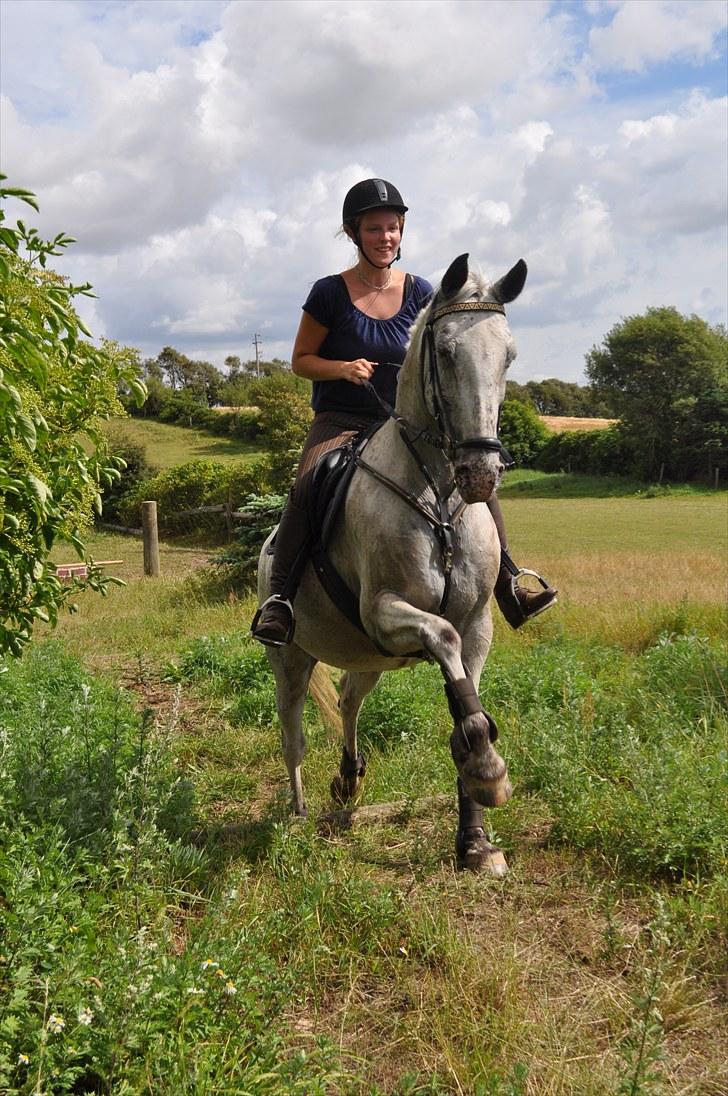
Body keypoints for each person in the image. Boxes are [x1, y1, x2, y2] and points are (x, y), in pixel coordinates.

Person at [252, 178, 556, 647]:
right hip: (342, 422)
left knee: (475, 480)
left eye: (393, 228)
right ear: (354, 234)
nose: (385, 237)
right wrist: (341, 368)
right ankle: (280, 600)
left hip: (407, 425)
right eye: (374, 229)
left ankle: (509, 581)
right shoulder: (329, 293)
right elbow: (300, 361)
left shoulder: (422, 292)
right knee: (309, 482)